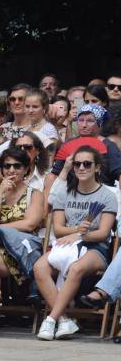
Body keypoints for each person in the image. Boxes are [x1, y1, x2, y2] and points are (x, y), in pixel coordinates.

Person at [33, 146, 116, 340]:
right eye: (77, 164)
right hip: (68, 244)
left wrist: (79, 236)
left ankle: (50, 320)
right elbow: (59, 229)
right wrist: (79, 232)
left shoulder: (107, 196)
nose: (81, 168)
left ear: (97, 168)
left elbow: (103, 233)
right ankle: (64, 319)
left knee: (77, 268)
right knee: (39, 267)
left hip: (95, 248)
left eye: (87, 164)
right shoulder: (65, 193)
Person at [0, 148, 45, 336]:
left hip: (21, 252)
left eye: (17, 166)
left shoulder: (34, 194)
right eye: (7, 166)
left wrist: (0, 229)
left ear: (26, 169)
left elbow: (30, 224)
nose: (11, 170)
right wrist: (0, 193)